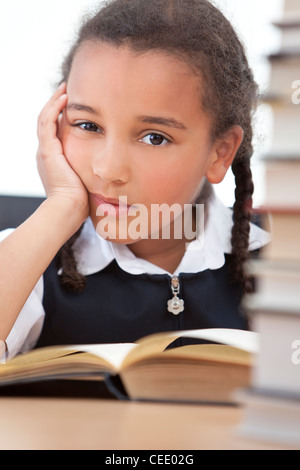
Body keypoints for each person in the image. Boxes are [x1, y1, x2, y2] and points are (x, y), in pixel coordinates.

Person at [0, 0, 270, 361]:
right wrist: (62, 206)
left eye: (154, 137)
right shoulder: (27, 260)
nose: (109, 169)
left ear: (219, 153)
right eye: (87, 125)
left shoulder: (280, 261)